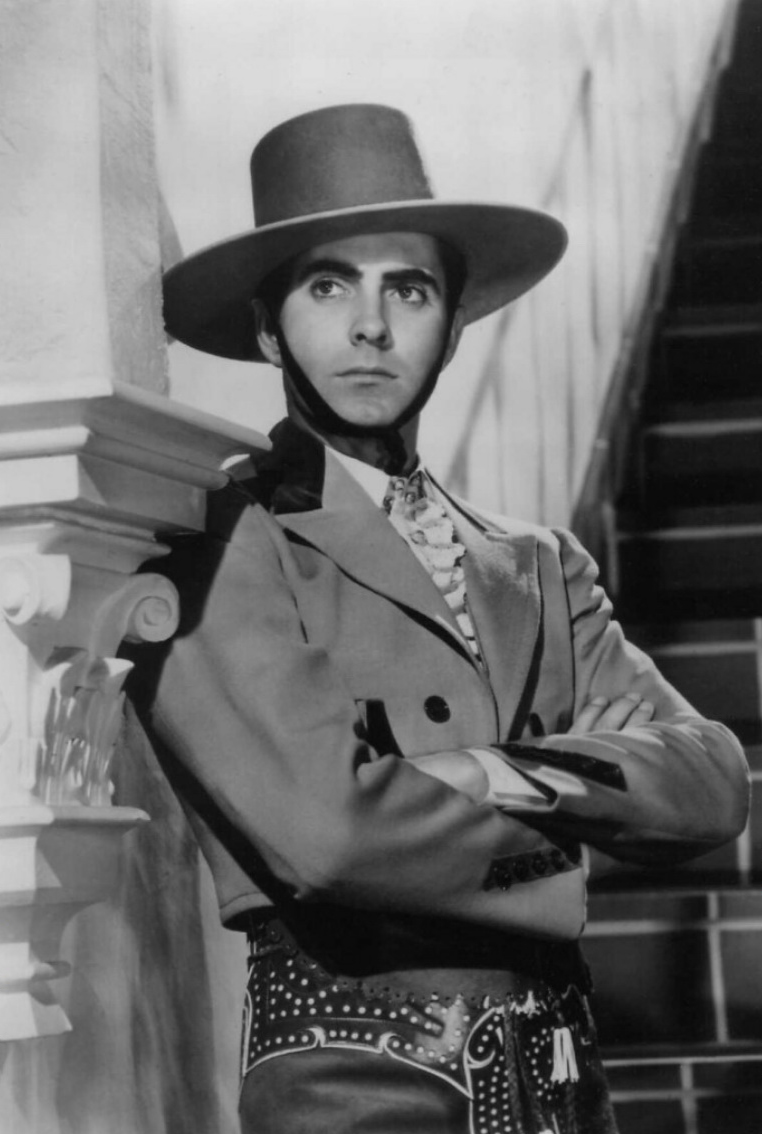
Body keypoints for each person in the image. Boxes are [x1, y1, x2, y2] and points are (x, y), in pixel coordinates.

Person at [129, 104, 749, 1134]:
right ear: (267, 324)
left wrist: (476, 772)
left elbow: (712, 780)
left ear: (454, 325)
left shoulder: (538, 561)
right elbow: (329, 835)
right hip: (356, 1076)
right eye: (329, 285)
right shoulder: (221, 541)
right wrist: (577, 814)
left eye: (408, 289)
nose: (371, 327)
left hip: (562, 1076)